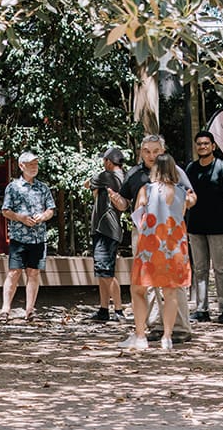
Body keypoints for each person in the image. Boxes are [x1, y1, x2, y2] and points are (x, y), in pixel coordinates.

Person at [119, 134, 194, 341]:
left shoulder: (176, 173)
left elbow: (192, 195)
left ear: (163, 152)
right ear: (141, 152)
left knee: (167, 286)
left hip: (156, 235)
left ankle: (179, 328)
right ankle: (157, 327)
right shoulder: (134, 173)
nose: (151, 155)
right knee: (151, 285)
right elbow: (125, 202)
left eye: (155, 151)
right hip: (155, 235)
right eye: (147, 151)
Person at [185, 130, 223, 324]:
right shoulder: (191, 169)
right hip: (195, 226)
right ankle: (201, 310)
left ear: (213, 146)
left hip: (219, 227)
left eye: (206, 143)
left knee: (221, 269)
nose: (202, 146)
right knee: (200, 269)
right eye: (199, 144)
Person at [0, 150, 55, 323]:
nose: (34, 167)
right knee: (14, 273)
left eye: (36, 164)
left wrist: (43, 216)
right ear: (21, 166)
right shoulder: (13, 187)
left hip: (38, 237)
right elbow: (5, 211)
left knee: (34, 273)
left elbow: (51, 210)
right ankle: (5, 309)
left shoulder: (43, 188)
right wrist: (20, 218)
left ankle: (30, 310)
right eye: (30, 164)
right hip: (19, 237)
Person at [88, 146, 128, 323]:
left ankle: (118, 310)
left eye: (104, 161)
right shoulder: (124, 177)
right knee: (102, 271)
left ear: (109, 162)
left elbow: (88, 184)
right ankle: (104, 309)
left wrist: (97, 189)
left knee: (107, 272)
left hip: (105, 229)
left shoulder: (107, 176)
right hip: (109, 229)